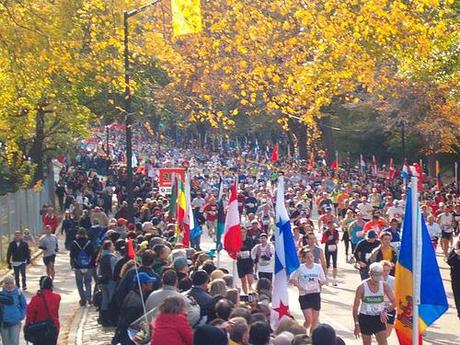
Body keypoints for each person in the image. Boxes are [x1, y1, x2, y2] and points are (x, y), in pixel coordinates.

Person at [352, 263, 395, 345]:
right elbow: (355, 307)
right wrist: (356, 324)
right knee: (367, 343)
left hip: (379, 318)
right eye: (374, 279)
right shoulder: (361, 287)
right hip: (365, 318)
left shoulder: (384, 285)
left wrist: (385, 310)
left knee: (383, 343)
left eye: (378, 279)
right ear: (370, 274)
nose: (376, 282)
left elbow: (395, 302)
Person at [113, 272, 157, 345]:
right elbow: (127, 322)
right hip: (129, 338)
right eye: (149, 282)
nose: (151, 284)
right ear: (143, 285)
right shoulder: (135, 301)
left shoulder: (132, 294)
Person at [290, 248, 326, 335]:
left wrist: (321, 282)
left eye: (311, 257)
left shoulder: (318, 267)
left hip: (315, 294)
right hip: (304, 296)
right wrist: (299, 286)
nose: (310, 259)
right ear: (304, 259)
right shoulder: (300, 268)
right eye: (308, 257)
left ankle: (310, 338)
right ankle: (300, 332)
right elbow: (292, 279)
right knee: (309, 320)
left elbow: (323, 279)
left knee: (314, 321)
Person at [25, 276, 61, 345]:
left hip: (39, 329)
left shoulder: (35, 299)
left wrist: (27, 327)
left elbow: (30, 315)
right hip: (53, 327)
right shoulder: (57, 297)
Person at [70, 228, 96, 306]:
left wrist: (72, 265)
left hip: (78, 266)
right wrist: (93, 265)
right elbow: (93, 254)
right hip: (88, 266)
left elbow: (72, 255)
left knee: (79, 284)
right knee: (88, 283)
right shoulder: (89, 243)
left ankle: (83, 299)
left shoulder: (74, 243)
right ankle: (89, 298)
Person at [0, 275, 27, 345]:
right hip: (4, 323)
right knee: (6, 343)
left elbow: (24, 306)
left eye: (11, 283)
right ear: (4, 284)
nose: (9, 285)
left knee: (14, 342)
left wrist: (21, 316)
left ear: (14, 283)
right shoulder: (1, 294)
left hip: (15, 322)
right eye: (7, 283)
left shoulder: (19, 293)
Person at [97, 240, 118, 327]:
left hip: (102, 280)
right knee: (110, 299)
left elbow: (99, 270)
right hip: (110, 281)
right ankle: (110, 318)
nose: (113, 247)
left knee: (104, 299)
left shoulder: (102, 256)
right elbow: (114, 271)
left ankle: (103, 318)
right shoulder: (112, 257)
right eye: (112, 245)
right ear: (109, 247)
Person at [237, 227, 256, 293]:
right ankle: (245, 294)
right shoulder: (237, 240)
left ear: (246, 232)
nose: (242, 234)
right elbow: (234, 250)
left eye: (244, 232)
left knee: (249, 279)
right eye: (241, 232)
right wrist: (236, 253)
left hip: (249, 262)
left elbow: (254, 250)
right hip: (240, 263)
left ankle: (251, 292)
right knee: (243, 280)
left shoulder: (250, 240)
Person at [321, 221, 339, 286]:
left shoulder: (336, 232)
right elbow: (322, 241)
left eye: (332, 225)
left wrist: (337, 241)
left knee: (334, 264)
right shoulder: (325, 232)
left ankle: (334, 280)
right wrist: (327, 239)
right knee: (327, 264)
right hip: (327, 248)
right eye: (330, 225)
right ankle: (326, 278)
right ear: (328, 226)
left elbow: (337, 238)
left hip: (334, 248)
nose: (331, 226)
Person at [381, 260, 395, 336]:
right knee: (381, 333)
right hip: (379, 308)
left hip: (390, 308)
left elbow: (397, 295)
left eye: (388, 270)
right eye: (384, 270)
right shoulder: (376, 280)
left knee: (387, 333)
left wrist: (392, 306)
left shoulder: (394, 280)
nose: (386, 272)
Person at [447, 239, 460, 320]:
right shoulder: (455, 251)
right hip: (456, 278)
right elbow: (449, 262)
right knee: (457, 296)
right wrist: (457, 253)